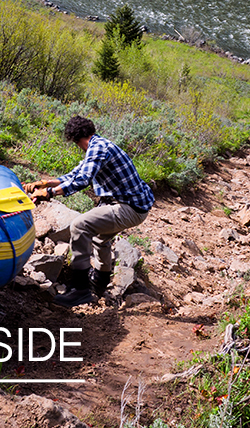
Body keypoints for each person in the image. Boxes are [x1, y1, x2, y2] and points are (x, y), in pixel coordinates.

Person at [23, 116, 153, 307]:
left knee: (80, 225)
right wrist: (47, 183)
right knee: (100, 239)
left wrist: (50, 193)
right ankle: (99, 284)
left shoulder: (98, 148)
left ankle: (80, 289)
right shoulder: (98, 145)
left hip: (130, 207)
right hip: (129, 204)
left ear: (77, 139)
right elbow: (76, 174)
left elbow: (83, 180)